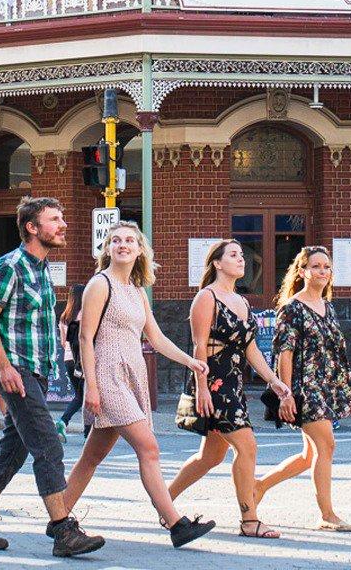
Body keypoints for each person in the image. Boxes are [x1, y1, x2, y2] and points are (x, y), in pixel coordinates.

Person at [0, 196, 104, 558]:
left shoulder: (41, 268)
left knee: (14, 451)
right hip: (16, 370)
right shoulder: (11, 266)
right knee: (48, 445)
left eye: (61, 217)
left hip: (34, 371)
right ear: (32, 228)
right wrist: (3, 367)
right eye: (54, 219)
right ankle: (63, 529)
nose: (63, 224)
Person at [59, 224, 215, 548]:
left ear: (140, 249)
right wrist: (91, 387)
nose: (122, 245)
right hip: (107, 375)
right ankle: (176, 524)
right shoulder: (99, 284)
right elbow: (86, 338)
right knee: (149, 448)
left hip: (131, 375)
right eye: (115, 240)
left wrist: (190, 361)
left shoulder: (137, 291)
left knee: (91, 458)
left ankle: (57, 518)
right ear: (108, 248)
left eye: (129, 240)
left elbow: (155, 338)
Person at [168, 239, 292, 538]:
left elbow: (250, 349)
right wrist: (201, 388)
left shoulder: (242, 301)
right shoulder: (206, 298)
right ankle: (250, 520)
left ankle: (164, 502)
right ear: (217, 263)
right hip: (213, 381)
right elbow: (199, 346)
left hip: (233, 384)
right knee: (247, 445)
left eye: (242, 255)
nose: (241, 260)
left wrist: (273, 380)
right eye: (234, 255)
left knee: (210, 457)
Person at [255, 245, 351, 532]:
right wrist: (285, 394)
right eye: (316, 266)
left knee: (309, 456)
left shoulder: (328, 306)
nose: (322, 271)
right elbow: (283, 353)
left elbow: (336, 353)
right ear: (302, 271)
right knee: (327, 446)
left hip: (326, 388)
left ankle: (259, 486)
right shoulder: (292, 308)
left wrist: (345, 391)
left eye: (326, 267)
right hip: (304, 389)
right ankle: (327, 514)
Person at [57, 291, 86, 436]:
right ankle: (65, 421)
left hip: (68, 359)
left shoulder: (64, 317)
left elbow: (64, 342)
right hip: (82, 360)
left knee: (80, 396)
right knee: (84, 397)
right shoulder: (83, 315)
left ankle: (64, 422)